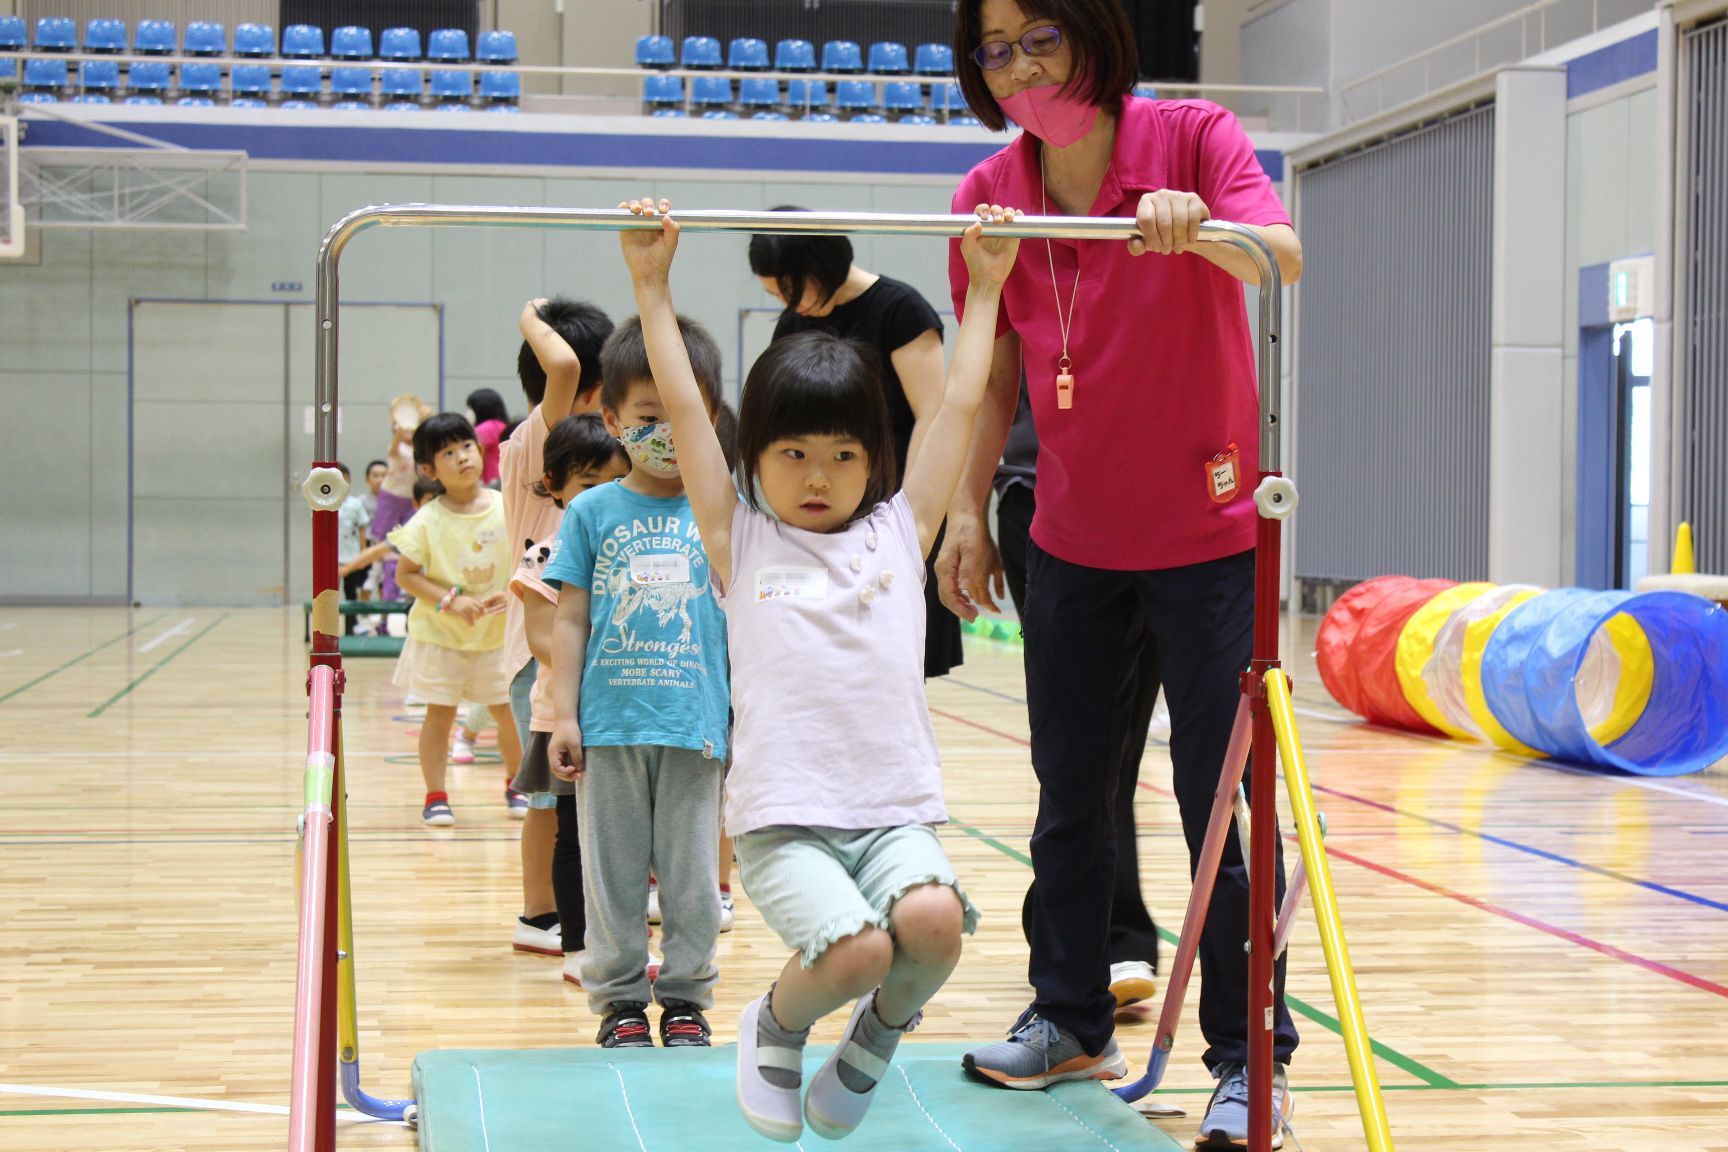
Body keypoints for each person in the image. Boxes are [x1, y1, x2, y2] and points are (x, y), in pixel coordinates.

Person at [938, 1, 1305, 1145]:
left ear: (1096, 38)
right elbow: (990, 373)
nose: (1018, 69)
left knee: (1222, 812)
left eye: (1039, 40)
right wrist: (964, 510)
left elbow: (1280, 253)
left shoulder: (1192, 140)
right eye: (994, 51)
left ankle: (1252, 1059)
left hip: (1209, 542)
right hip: (1072, 542)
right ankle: (1070, 1017)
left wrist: (1199, 227)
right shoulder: (987, 198)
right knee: (1070, 798)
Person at [618, 197, 1018, 1143]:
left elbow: (957, 405)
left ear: (873, 460)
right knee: (853, 951)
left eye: (843, 456)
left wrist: (991, 286)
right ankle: (777, 1022)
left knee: (933, 926)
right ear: (754, 456)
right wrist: (650, 284)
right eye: (792, 454)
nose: (817, 476)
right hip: (785, 821)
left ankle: (874, 1040)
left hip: (888, 812)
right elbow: (684, 407)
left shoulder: (895, 535)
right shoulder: (740, 539)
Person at [544, 310, 731, 1051]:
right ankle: (619, 1000)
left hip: (694, 727)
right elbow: (569, 620)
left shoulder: (724, 512)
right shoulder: (591, 511)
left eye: (678, 415)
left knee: (692, 882)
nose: (664, 433)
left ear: (706, 417)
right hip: (610, 729)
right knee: (612, 877)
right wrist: (564, 714)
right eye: (645, 417)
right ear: (613, 418)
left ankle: (687, 996)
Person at [991, 383, 1163, 1005]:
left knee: (1116, 748)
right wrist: (965, 510)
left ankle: (1091, 929)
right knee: (1075, 747)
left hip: (1157, 504)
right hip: (1038, 499)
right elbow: (989, 382)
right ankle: (1092, 938)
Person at [749, 214, 965, 679]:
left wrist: (908, 513)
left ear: (821, 266)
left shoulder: (900, 309)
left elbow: (934, 413)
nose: (788, 305)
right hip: (819, 512)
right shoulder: (794, 322)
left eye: (791, 290)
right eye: (775, 296)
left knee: (894, 651)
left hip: (892, 505)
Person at [501, 297, 617, 956]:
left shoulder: (593, 447)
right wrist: (532, 314)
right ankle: (539, 914)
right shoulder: (541, 438)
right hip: (542, 653)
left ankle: (578, 905)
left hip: (587, 646)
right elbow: (565, 363)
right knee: (550, 798)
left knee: (581, 798)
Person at [509, 413, 631, 985]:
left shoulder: (631, 544)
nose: (602, 495)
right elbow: (541, 639)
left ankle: (620, 944)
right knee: (571, 832)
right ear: (555, 486)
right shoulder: (543, 556)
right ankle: (579, 948)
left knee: (622, 835)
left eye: (613, 480)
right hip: (566, 715)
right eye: (587, 483)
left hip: (625, 711)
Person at [389, 413, 524, 827]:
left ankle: (516, 785)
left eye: (466, 446)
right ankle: (436, 795)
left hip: (499, 636)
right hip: (442, 637)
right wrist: (450, 601)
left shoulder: (507, 505)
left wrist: (514, 587)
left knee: (508, 713)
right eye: (448, 452)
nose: (462, 456)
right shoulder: (428, 519)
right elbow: (406, 575)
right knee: (440, 715)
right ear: (429, 470)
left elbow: (528, 556)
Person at [373, 397, 431, 602]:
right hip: (391, 499)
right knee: (386, 545)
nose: (409, 434)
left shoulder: (419, 450)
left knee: (409, 542)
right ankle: (381, 583)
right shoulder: (396, 448)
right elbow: (395, 444)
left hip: (410, 500)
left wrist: (424, 417)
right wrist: (400, 426)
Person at [334, 463, 372, 636]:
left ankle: (351, 628)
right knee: (329, 596)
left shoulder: (355, 504)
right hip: (332, 559)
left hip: (352, 558)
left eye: (345, 479)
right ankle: (329, 630)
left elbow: (362, 529)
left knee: (351, 594)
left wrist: (363, 553)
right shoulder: (324, 503)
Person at [467, 387, 511, 487]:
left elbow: (469, 450)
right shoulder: (500, 425)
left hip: (490, 481)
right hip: (501, 477)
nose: (468, 412)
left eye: (471, 407)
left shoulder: (486, 428)